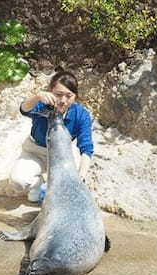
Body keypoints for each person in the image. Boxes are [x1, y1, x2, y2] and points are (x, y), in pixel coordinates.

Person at [10, 69, 94, 202]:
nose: (63, 100)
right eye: (58, 94)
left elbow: (86, 147)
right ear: (50, 91)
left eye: (69, 95)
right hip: (35, 151)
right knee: (17, 182)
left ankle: (52, 185)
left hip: (62, 153)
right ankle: (40, 183)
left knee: (71, 183)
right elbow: (24, 110)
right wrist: (38, 97)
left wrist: (81, 177)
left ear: (75, 96)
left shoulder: (81, 115)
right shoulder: (42, 104)